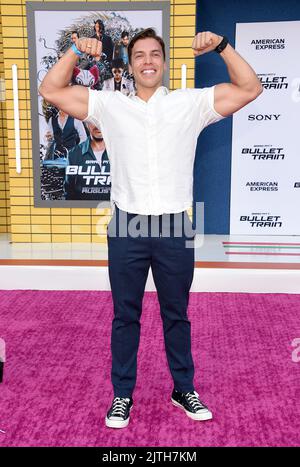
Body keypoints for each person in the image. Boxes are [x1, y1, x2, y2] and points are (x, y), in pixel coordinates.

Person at [39, 28, 263, 429]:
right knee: (126, 316)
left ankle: (183, 388)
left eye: (154, 54)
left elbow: (250, 88)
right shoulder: (108, 106)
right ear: (129, 63)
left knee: (176, 314)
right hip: (127, 224)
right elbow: (51, 89)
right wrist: (75, 49)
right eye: (138, 55)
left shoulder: (189, 103)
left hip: (176, 225)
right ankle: (122, 395)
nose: (147, 61)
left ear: (163, 61)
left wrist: (223, 47)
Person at [64, 122, 110, 200]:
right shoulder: (73, 154)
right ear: (86, 123)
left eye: (101, 120)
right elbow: (69, 192)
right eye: (93, 120)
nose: (98, 125)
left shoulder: (122, 153)